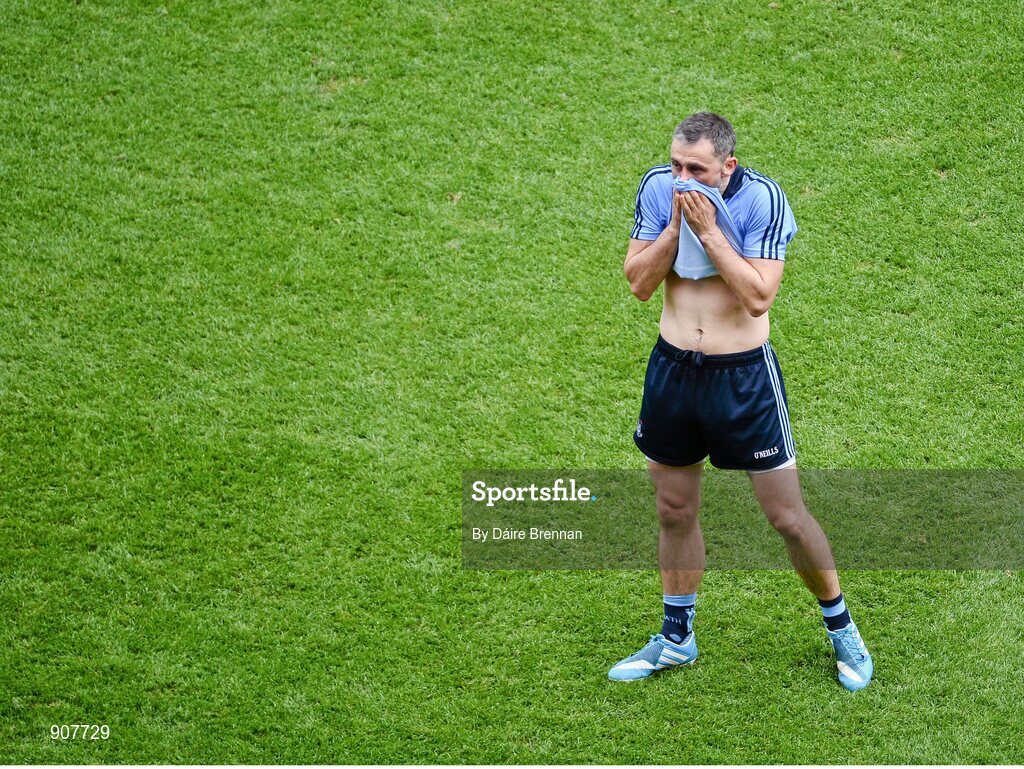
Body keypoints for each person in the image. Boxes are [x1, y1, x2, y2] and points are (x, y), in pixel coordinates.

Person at [608, 112, 873, 691]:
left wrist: (708, 232)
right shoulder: (659, 189)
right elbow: (637, 282)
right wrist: (675, 230)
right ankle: (676, 636)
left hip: (744, 379)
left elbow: (758, 295)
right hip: (674, 371)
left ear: (726, 167)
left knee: (787, 517)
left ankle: (842, 627)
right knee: (673, 509)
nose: (683, 178)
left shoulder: (763, 200)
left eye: (696, 169)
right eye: (677, 164)